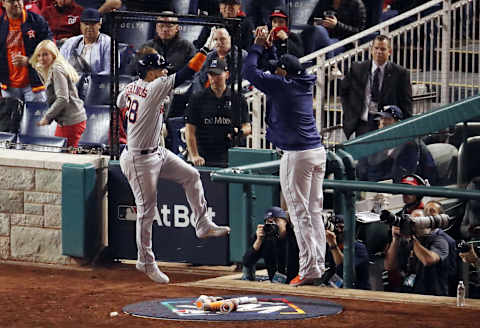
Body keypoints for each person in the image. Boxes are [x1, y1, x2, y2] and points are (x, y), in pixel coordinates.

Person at [117, 30, 230, 284]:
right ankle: (145, 260)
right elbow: (188, 72)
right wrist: (204, 49)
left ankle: (202, 224)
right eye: (160, 68)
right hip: (139, 159)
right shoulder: (156, 86)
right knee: (147, 211)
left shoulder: (132, 86)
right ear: (150, 72)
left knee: (191, 175)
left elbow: (120, 102)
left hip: (157, 151)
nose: (164, 71)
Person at [243, 26, 326, 287]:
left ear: (283, 73)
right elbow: (273, 68)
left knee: (300, 213)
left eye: (278, 69)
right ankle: (318, 264)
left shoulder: (283, 86)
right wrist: (269, 49)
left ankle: (309, 269)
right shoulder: (300, 81)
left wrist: (257, 45)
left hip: (298, 155)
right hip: (316, 152)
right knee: (313, 211)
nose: (275, 71)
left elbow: (249, 72)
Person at [340, 34, 413, 139]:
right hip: (362, 124)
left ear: (389, 52)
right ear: (371, 50)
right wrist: (349, 111)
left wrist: (406, 129)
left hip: (386, 126)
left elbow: (406, 104)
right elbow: (344, 90)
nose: (379, 52)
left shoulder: (400, 73)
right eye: (376, 48)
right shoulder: (357, 68)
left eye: (383, 49)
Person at [185, 58, 251, 168]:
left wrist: (239, 132)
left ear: (227, 74)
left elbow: (247, 126)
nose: (213, 78)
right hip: (204, 157)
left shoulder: (238, 99)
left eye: (217, 74)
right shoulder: (197, 98)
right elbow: (189, 130)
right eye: (211, 74)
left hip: (229, 156)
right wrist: (194, 155)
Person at [29, 39, 87, 148]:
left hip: (72, 121)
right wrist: (40, 71)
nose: (41, 58)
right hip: (66, 121)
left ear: (53, 55)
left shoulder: (57, 69)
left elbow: (63, 98)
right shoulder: (50, 68)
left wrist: (47, 117)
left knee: (64, 156)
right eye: (39, 55)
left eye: (45, 55)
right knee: (60, 153)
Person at [141, 11, 196, 120]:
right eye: (161, 26)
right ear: (156, 28)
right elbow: (135, 70)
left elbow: (193, 72)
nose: (165, 29)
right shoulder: (147, 46)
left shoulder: (187, 47)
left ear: (177, 28)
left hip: (176, 87)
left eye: (169, 26)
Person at [384, 208, 450, 296]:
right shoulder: (405, 240)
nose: (412, 225)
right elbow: (389, 266)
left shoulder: (439, 240)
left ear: (426, 223)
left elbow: (428, 260)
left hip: (432, 295)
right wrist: (395, 239)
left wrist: (412, 237)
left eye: (415, 221)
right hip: (409, 292)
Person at [366, 105, 438, 183]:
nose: (383, 122)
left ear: (398, 123)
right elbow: (372, 169)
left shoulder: (410, 144)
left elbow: (403, 174)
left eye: (388, 119)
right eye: (381, 119)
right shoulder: (380, 143)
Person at [0, 0, 53, 102]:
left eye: (18, 0)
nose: (16, 4)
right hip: (8, 86)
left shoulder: (37, 21)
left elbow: (50, 49)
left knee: (37, 118)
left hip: (35, 85)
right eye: (11, 1)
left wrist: (29, 60)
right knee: (10, 118)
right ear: (3, 3)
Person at [242, 206, 299, 284]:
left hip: (295, 281)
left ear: (285, 221)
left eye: (276, 220)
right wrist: (258, 241)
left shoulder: (295, 236)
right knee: (246, 269)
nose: (272, 225)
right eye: (268, 222)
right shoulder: (265, 237)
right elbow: (247, 262)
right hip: (274, 282)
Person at [301, 0, 367, 57]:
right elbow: (311, 21)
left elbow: (359, 31)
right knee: (316, 32)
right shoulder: (324, 1)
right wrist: (319, 22)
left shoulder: (356, 3)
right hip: (322, 37)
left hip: (344, 41)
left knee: (320, 40)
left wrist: (337, 25)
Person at [192, 27, 245, 94]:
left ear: (230, 38)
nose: (218, 42)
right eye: (215, 40)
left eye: (222, 39)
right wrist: (200, 94)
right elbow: (198, 78)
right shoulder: (209, 56)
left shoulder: (242, 56)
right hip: (206, 97)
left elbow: (240, 81)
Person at [324, 214, 371, 290]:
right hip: (340, 288)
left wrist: (333, 244)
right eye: (336, 227)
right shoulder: (332, 247)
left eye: (341, 227)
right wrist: (327, 285)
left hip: (359, 291)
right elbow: (333, 272)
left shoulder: (359, 248)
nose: (338, 231)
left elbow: (345, 270)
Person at [60, 8, 110, 75]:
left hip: (97, 83)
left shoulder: (108, 43)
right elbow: (60, 67)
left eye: (93, 24)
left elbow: (109, 72)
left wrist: (91, 80)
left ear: (99, 25)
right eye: (86, 24)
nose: (89, 27)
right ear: (81, 25)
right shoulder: (69, 43)